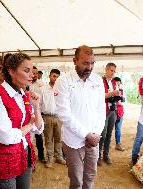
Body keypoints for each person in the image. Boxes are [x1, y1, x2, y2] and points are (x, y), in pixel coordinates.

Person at [0, 52, 44, 189]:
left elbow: (39, 129)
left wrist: (36, 106)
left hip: (23, 153)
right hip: (4, 160)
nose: (32, 75)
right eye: (26, 70)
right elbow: (6, 137)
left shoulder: (23, 94)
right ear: (11, 71)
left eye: (32, 70)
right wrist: (29, 124)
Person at [54, 45, 105, 189]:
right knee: (76, 180)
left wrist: (96, 134)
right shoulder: (63, 81)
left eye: (92, 63)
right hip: (73, 140)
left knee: (90, 176)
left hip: (94, 139)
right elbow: (64, 114)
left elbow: (101, 110)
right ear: (74, 61)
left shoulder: (97, 80)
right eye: (85, 63)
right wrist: (86, 134)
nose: (89, 67)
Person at [38, 69, 66, 168]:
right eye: (54, 76)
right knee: (48, 139)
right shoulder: (42, 89)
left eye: (57, 77)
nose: (55, 78)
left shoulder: (61, 89)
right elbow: (39, 104)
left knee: (59, 138)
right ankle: (50, 158)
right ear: (49, 76)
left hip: (59, 117)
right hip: (47, 117)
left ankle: (58, 156)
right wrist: (40, 117)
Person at [98, 62, 120, 165]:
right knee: (103, 133)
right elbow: (99, 96)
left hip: (113, 110)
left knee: (109, 134)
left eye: (114, 71)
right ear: (106, 70)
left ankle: (106, 155)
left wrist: (118, 96)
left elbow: (114, 95)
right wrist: (112, 93)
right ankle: (98, 156)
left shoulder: (114, 83)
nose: (113, 73)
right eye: (111, 70)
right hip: (103, 111)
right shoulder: (100, 81)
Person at [30, 66, 45, 162]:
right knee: (29, 138)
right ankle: (30, 158)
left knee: (39, 136)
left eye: (36, 73)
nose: (34, 75)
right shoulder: (25, 83)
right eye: (33, 73)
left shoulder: (42, 84)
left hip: (38, 112)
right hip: (28, 113)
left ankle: (41, 156)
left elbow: (44, 98)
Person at [112, 77, 125, 151]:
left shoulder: (121, 90)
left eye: (119, 83)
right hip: (112, 111)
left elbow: (123, 100)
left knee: (118, 129)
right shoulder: (110, 90)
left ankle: (118, 144)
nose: (117, 84)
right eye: (116, 83)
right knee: (107, 130)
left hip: (120, 111)